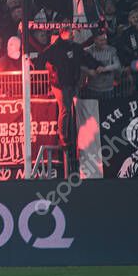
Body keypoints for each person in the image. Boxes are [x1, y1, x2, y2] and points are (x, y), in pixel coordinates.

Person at [36, 27, 98, 174]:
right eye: (68, 32)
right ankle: (63, 136)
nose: (71, 34)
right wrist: (35, 64)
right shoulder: (55, 48)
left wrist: (97, 65)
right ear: (62, 34)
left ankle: (73, 133)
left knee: (72, 108)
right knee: (66, 108)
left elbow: (87, 58)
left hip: (73, 82)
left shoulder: (76, 47)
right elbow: (41, 58)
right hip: (59, 84)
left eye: (72, 32)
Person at [84, 30, 121, 97]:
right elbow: (80, 66)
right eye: (101, 40)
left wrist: (104, 69)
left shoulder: (111, 50)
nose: (104, 42)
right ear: (95, 40)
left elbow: (117, 65)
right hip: (93, 88)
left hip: (108, 88)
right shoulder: (88, 51)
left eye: (105, 40)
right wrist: (88, 71)